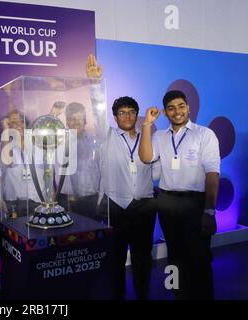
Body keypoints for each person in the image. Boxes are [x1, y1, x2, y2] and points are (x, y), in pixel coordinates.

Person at [86, 54, 157, 300]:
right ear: (115, 117)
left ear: (137, 116)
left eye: (131, 112)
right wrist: (95, 83)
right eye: (122, 113)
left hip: (144, 206)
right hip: (114, 206)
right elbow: (97, 111)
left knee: (142, 258)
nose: (127, 116)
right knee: (114, 258)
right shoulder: (107, 136)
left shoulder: (150, 138)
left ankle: (143, 295)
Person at [139, 90, 220, 300]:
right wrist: (147, 124)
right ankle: (178, 295)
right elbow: (146, 158)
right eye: (171, 108)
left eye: (181, 106)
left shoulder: (204, 134)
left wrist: (209, 210)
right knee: (174, 257)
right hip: (167, 202)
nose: (177, 111)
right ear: (165, 113)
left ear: (188, 108)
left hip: (195, 204)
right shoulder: (159, 136)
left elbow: (212, 174)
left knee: (199, 258)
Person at [0, 109, 43, 218]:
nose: (18, 125)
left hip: (39, 202)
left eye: (21, 121)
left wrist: (51, 197)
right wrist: (5, 128)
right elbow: (6, 160)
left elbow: (48, 175)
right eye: (13, 122)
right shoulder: (3, 147)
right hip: (15, 205)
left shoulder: (39, 147)